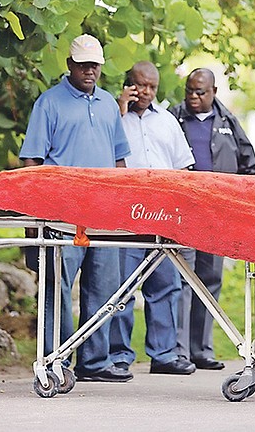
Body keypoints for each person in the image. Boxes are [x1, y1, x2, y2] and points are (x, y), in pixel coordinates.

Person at [19, 34, 132, 383]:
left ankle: (95, 362)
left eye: (94, 64)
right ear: (69, 64)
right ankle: (57, 360)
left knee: (104, 287)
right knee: (58, 287)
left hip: (104, 212)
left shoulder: (109, 103)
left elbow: (119, 160)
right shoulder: (49, 103)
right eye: (82, 64)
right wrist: (31, 214)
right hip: (61, 212)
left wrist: (122, 207)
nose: (89, 70)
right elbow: (31, 161)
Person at [109, 61, 197, 375]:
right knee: (121, 289)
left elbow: (184, 167)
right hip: (127, 214)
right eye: (139, 85)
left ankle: (164, 355)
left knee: (166, 286)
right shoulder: (114, 116)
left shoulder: (168, 121)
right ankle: (119, 355)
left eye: (151, 87)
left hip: (163, 214)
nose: (145, 92)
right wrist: (120, 108)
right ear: (128, 84)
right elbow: (105, 154)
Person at [170, 68, 255, 370]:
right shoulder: (174, 117)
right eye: (190, 91)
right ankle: (179, 352)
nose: (194, 97)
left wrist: (240, 205)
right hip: (183, 212)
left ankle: (201, 349)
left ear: (214, 92)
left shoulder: (228, 121)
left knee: (210, 280)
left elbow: (250, 165)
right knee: (183, 279)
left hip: (217, 214)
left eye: (201, 92)